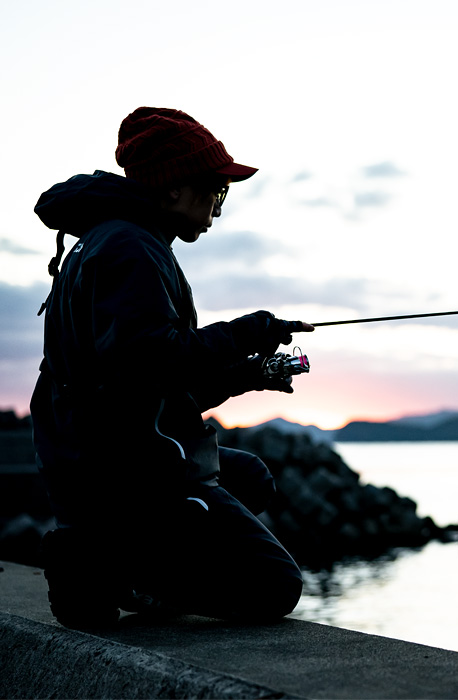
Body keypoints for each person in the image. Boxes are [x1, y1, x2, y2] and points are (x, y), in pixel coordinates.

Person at [30, 107, 314, 628]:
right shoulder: (130, 249)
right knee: (275, 587)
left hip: (109, 453)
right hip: (119, 467)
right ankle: (103, 570)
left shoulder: (119, 240)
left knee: (249, 477)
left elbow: (149, 385)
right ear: (173, 187)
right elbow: (154, 359)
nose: (218, 207)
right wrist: (246, 331)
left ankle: (127, 562)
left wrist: (249, 375)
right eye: (215, 190)